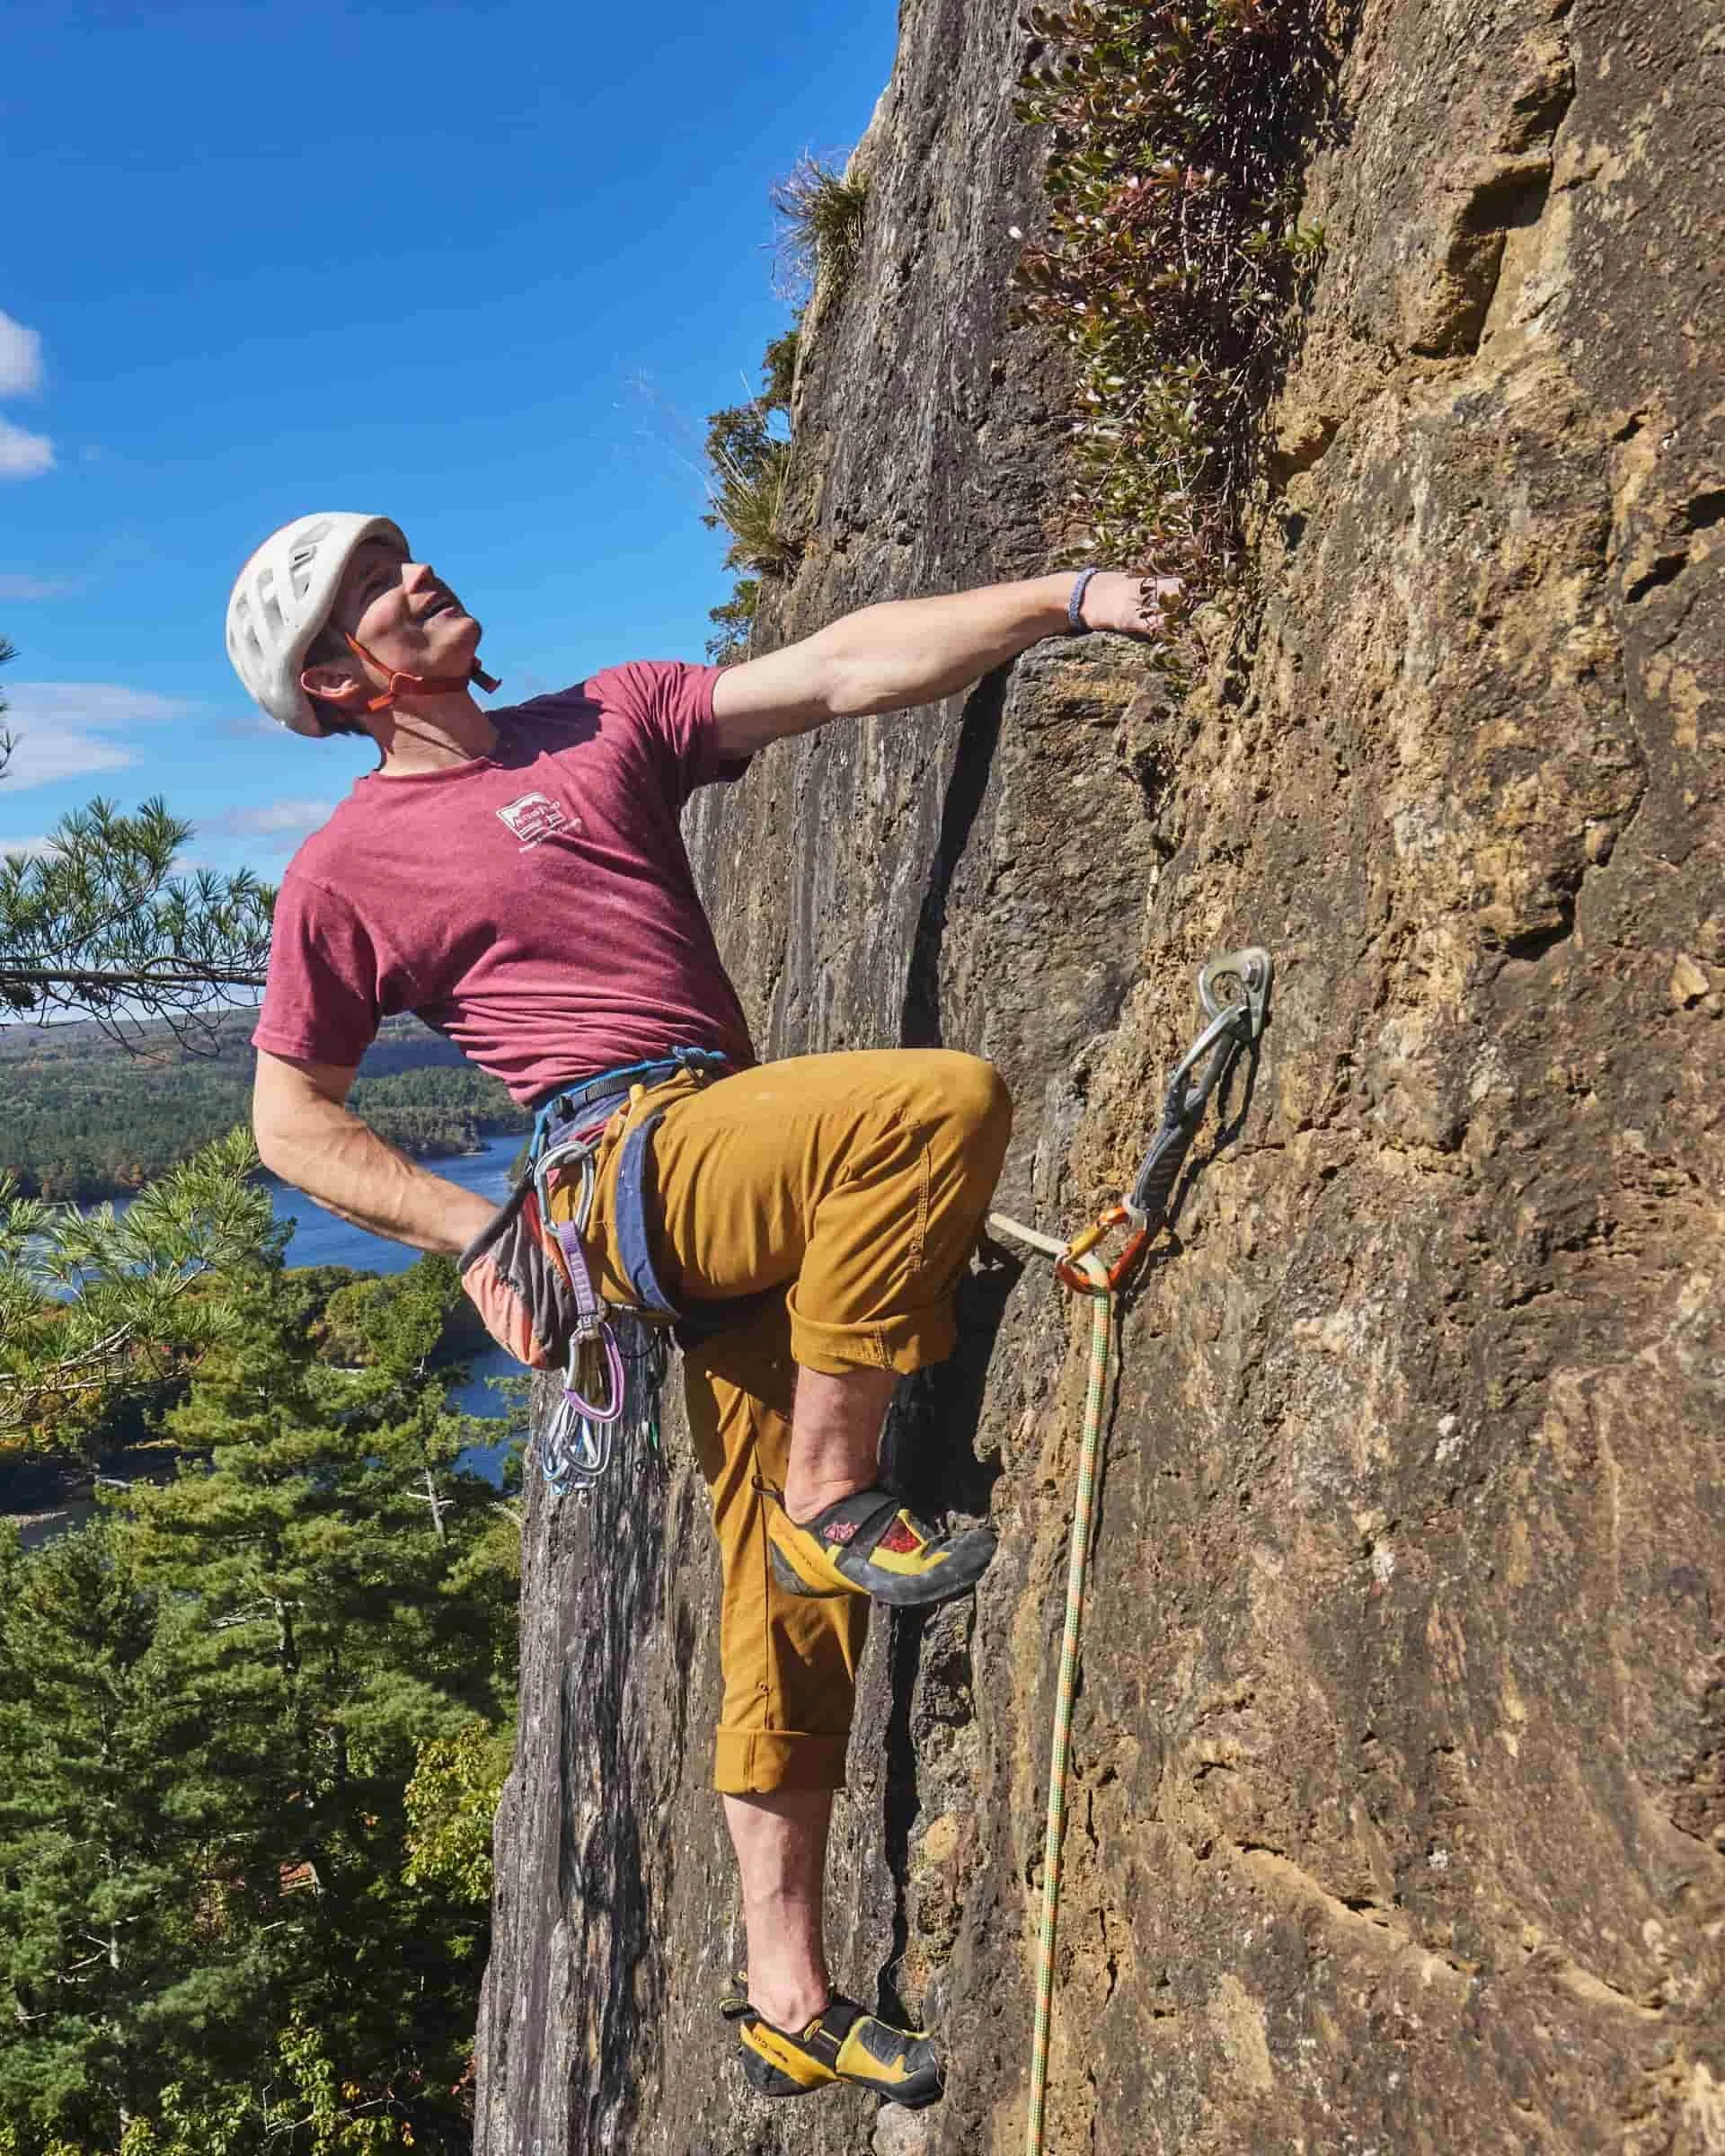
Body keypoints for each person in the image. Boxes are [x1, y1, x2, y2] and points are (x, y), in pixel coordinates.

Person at [228, 511, 1176, 2113]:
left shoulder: (606, 721)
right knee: (929, 1108)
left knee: (783, 1611)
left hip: (716, 1157)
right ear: (334, 681)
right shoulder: (343, 870)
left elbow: (839, 670)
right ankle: (834, 1485)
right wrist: (482, 1239)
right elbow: (288, 1120)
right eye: (369, 591)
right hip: (617, 1167)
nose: (416, 578)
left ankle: (784, 1991)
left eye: (405, 552)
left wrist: (1064, 597)